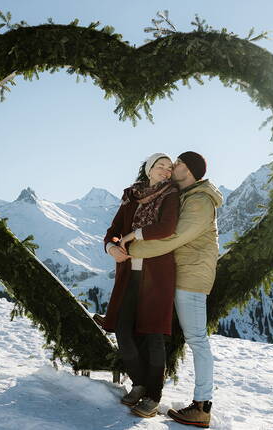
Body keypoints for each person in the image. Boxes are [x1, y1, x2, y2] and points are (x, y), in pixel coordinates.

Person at [127, 151, 223, 428]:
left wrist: (133, 248)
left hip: (191, 278)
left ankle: (202, 407)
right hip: (178, 273)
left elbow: (174, 237)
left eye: (178, 163)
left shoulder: (200, 201)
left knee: (196, 339)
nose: (173, 167)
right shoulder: (187, 196)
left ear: (189, 170)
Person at [100, 153, 180, 418]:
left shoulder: (171, 195)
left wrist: (135, 234)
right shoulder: (131, 197)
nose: (165, 171)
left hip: (157, 273)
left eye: (169, 168)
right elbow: (113, 230)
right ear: (148, 169)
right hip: (129, 274)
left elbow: (167, 227)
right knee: (123, 330)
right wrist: (112, 247)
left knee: (154, 335)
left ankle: (153, 396)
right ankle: (139, 383)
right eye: (160, 166)